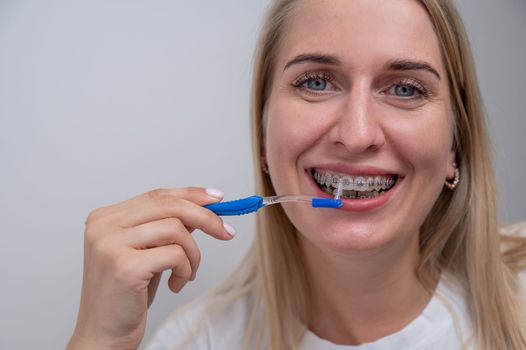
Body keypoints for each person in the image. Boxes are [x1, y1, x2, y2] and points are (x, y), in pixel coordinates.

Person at [67, 0, 526, 349]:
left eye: (405, 89)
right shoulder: (195, 341)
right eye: (316, 82)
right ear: (264, 136)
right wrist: (96, 341)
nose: (357, 133)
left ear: (454, 146)